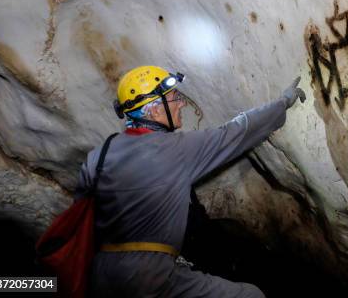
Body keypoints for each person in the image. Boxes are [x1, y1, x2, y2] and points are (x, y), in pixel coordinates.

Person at [74, 65, 306, 297]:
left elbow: (82, 216)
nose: (182, 104)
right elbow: (236, 133)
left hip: (99, 274)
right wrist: (282, 103)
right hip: (147, 276)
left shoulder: (98, 156)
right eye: (175, 98)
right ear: (154, 111)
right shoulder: (175, 150)